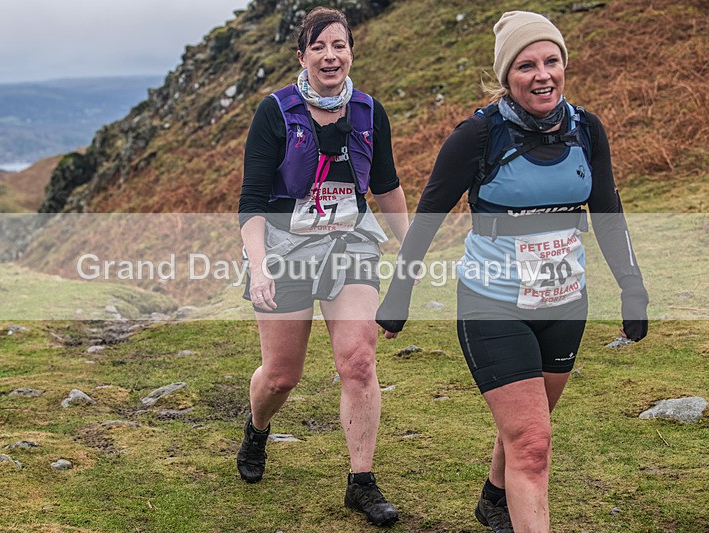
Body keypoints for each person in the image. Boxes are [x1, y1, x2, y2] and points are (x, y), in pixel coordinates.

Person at [376, 11, 648, 533]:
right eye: (526, 65)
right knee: (533, 445)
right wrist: (398, 296)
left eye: (552, 61)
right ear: (507, 76)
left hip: (566, 303)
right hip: (491, 304)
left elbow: (609, 214)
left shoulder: (586, 129)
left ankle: (493, 499)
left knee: (527, 428)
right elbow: (429, 216)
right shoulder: (478, 135)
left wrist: (632, 289)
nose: (542, 74)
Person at [236, 6, 409, 527]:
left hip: (350, 242)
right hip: (285, 248)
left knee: (358, 360)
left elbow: (386, 185)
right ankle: (257, 429)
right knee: (281, 377)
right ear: (302, 56)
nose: (330, 56)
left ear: (351, 52)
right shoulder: (275, 112)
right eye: (319, 47)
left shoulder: (369, 112)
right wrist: (259, 267)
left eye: (339, 46)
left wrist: (412, 249)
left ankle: (362, 481)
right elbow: (251, 202)